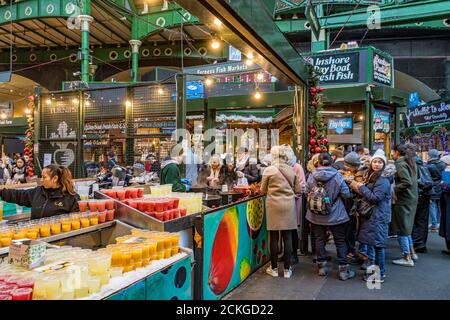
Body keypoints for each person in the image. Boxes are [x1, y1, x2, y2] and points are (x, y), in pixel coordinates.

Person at [306, 152, 354, 281]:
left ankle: (321, 267)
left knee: (319, 239)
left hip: (316, 214)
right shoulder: (337, 175)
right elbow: (346, 193)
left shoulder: (312, 175)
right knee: (340, 240)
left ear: (318, 162)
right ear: (331, 162)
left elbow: (306, 191)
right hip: (336, 213)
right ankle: (343, 270)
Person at [349, 149, 391, 283]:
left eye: (379, 162)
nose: (377, 164)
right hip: (373, 216)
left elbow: (375, 197)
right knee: (374, 245)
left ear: (383, 164)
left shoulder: (383, 180)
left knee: (378, 247)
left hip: (377, 217)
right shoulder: (373, 176)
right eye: (375, 162)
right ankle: (375, 273)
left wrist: (361, 187)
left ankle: (380, 274)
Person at [261, 146, 301, 278]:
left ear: (273, 156)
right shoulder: (291, 169)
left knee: (273, 237)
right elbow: (298, 190)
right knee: (287, 237)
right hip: (288, 206)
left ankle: (273, 269)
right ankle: (287, 270)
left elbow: (262, 190)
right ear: (285, 157)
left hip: (273, 205)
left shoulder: (269, 170)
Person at [0, 165, 79, 219]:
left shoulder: (72, 198)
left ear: (55, 178)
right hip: (37, 237)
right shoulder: (38, 192)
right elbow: (18, 195)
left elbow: (76, 222)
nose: (41, 180)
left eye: (44, 177)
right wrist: (1, 192)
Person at [391, 144, 418, 267]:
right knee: (407, 227)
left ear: (397, 152)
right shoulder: (410, 162)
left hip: (403, 199)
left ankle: (407, 257)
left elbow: (406, 182)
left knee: (402, 228)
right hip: (411, 198)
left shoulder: (400, 163)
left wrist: (394, 189)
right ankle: (412, 254)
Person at [284, 145, 306, 265]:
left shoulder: (297, 167)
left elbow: (303, 185)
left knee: (293, 228)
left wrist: (292, 193)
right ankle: (287, 253)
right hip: (284, 201)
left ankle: (294, 254)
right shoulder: (280, 167)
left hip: (294, 201)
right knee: (285, 228)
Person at [341, 152, 363, 262]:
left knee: (352, 229)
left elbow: (360, 190)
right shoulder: (356, 172)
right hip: (354, 206)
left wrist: (349, 181)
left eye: (347, 165)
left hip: (356, 206)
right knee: (351, 228)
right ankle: (352, 250)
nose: (345, 167)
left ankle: (352, 250)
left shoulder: (360, 173)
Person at [412, 154, 434, 254]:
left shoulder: (412, 164)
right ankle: (421, 243)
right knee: (422, 220)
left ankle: (416, 243)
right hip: (426, 194)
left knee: (415, 219)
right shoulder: (423, 164)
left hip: (418, 194)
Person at [426, 149, 445, 233]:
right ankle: (438, 223)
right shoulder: (442, 164)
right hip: (441, 187)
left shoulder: (429, 166)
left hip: (432, 187)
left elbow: (427, 178)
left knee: (432, 205)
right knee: (438, 206)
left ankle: (434, 224)